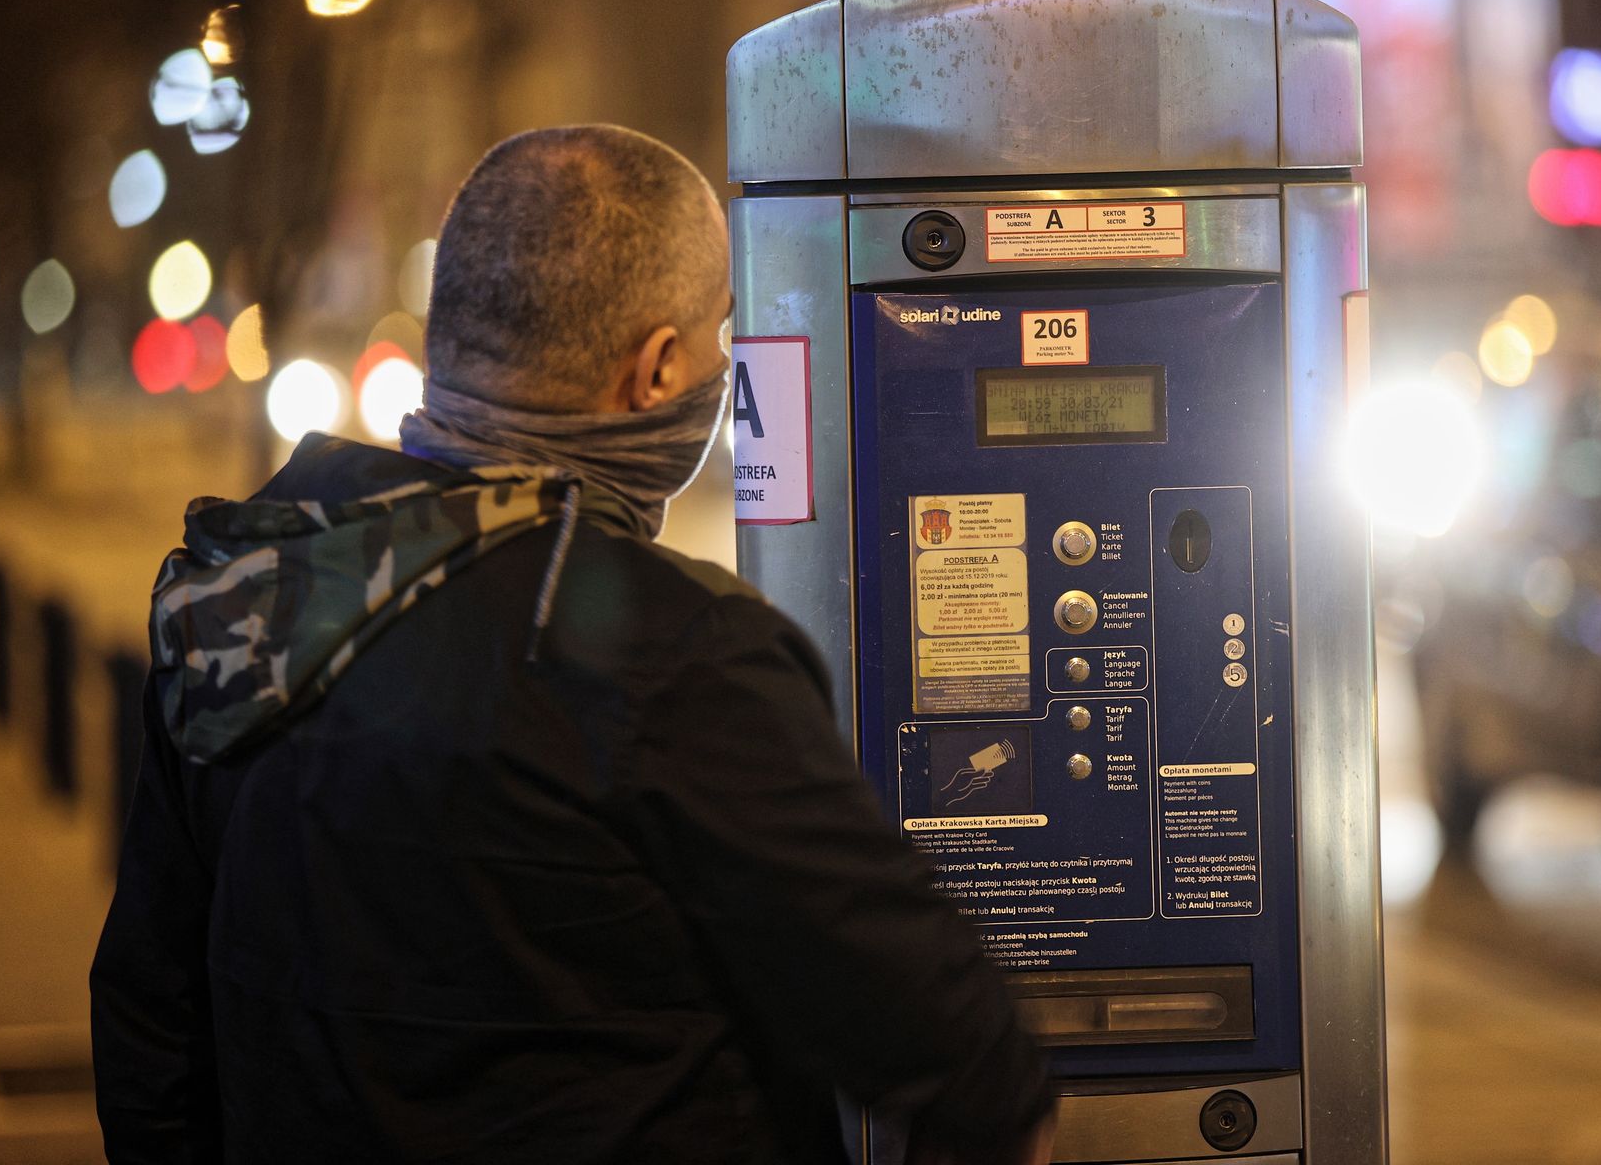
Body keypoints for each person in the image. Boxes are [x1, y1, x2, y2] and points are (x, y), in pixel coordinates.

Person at [91, 125, 1056, 1164]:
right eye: (717, 339)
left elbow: (152, 1032)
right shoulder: (684, 654)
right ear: (658, 369)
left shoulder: (249, 595)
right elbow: (953, 1049)